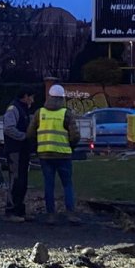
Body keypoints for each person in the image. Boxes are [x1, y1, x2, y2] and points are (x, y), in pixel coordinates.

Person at [27, 84, 81, 225]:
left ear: (49, 97)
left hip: (45, 155)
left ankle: (51, 215)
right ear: (62, 98)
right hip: (63, 155)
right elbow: (75, 135)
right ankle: (71, 214)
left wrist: (36, 146)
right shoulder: (66, 113)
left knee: (49, 185)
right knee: (67, 185)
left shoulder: (40, 113)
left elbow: (30, 133)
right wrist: (71, 146)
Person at [2, 87, 35, 222]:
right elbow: (9, 128)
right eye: (31, 97)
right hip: (15, 150)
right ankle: (11, 211)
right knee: (15, 180)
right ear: (25, 96)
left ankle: (20, 210)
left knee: (22, 180)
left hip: (22, 150)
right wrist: (24, 136)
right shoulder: (14, 109)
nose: (32, 100)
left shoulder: (22, 109)